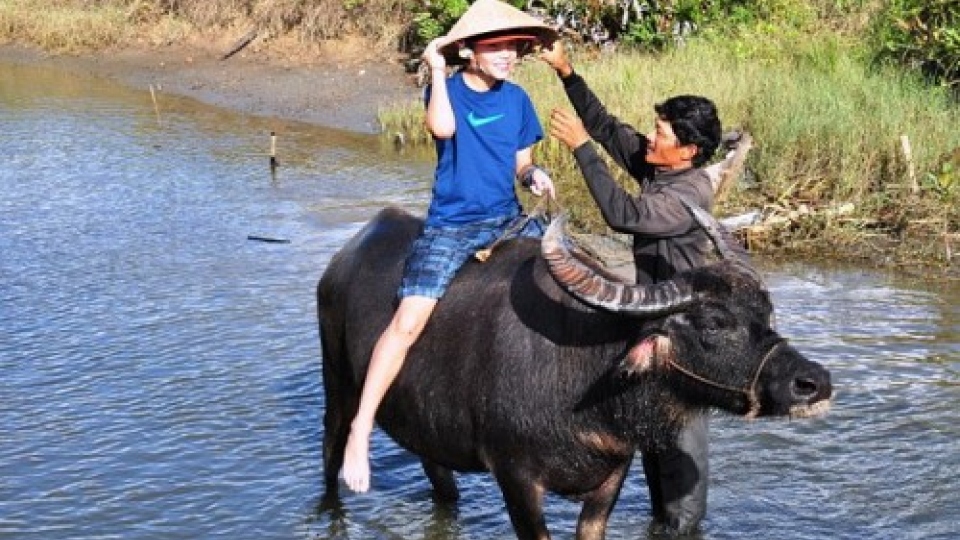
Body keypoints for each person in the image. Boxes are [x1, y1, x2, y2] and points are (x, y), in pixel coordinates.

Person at [340, 0, 559, 494]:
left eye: (513, 47)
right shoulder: (449, 91)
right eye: (497, 46)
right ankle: (361, 428)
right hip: (454, 224)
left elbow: (521, 163)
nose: (508, 55)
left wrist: (534, 175)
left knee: (569, 282)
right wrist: (437, 70)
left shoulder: (518, 99)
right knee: (409, 320)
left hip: (507, 220)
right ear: (469, 50)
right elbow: (440, 130)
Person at [539, 40, 723, 534]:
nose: (649, 137)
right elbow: (605, 127)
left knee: (682, 449)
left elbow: (623, 215)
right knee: (652, 439)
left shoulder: (685, 194)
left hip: (683, 336)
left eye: (660, 133)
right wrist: (567, 72)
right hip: (652, 323)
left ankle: (684, 530)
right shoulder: (663, 167)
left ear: (687, 150)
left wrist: (579, 149)